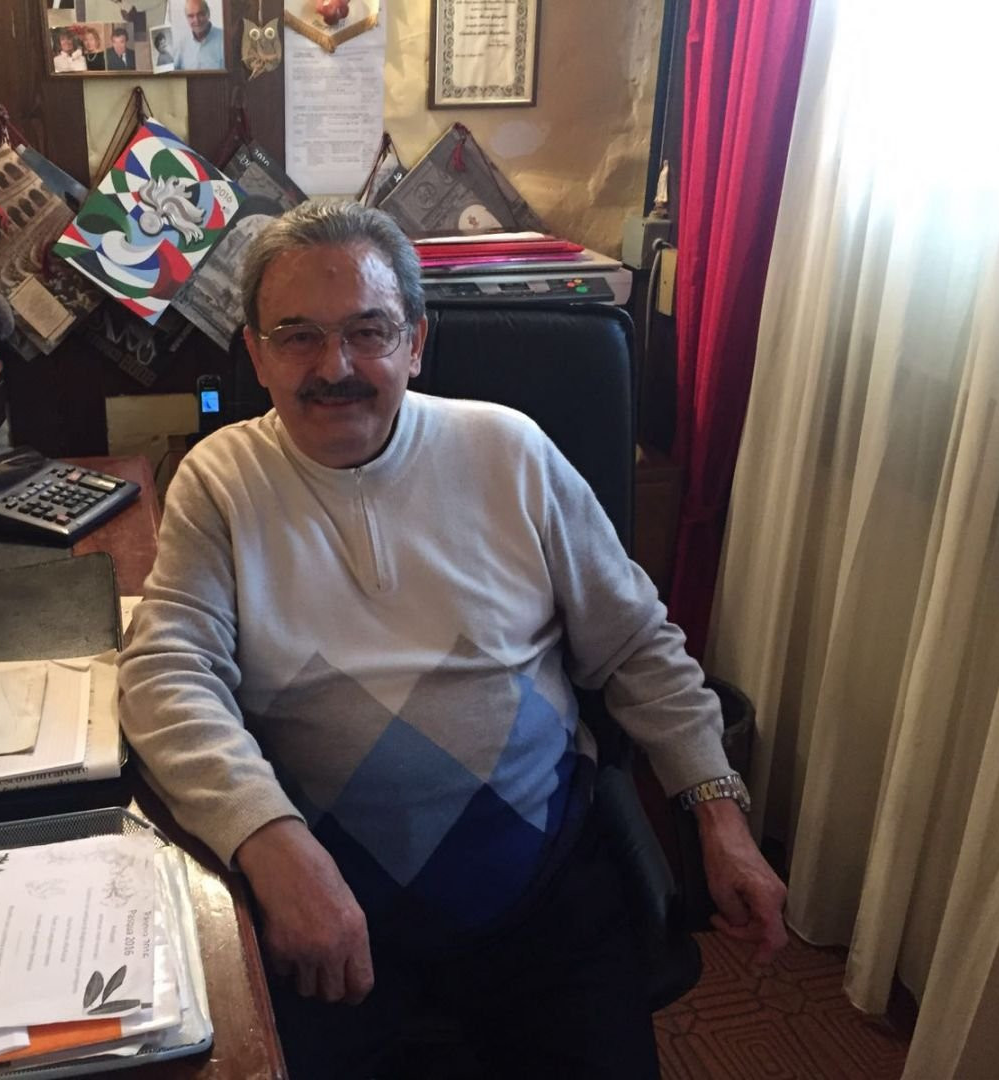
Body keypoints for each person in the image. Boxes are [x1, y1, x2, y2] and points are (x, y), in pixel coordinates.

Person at [116, 202, 788, 1079]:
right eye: (299, 337)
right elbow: (167, 674)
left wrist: (719, 815)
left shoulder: (507, 451)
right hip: (334, 904)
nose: (335, 367)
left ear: (416, 343)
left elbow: (636, 646)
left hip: (545, 894)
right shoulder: (221, 480)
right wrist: (271, 843)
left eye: (368, 332)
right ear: (256, 353)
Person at [173, 0, 223, 70]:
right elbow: (172, 72)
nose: (196, 20)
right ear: (186, 18)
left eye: (200, 14)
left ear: (208, 13)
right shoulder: (181, 44)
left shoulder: (224, 39)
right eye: (191, 16)